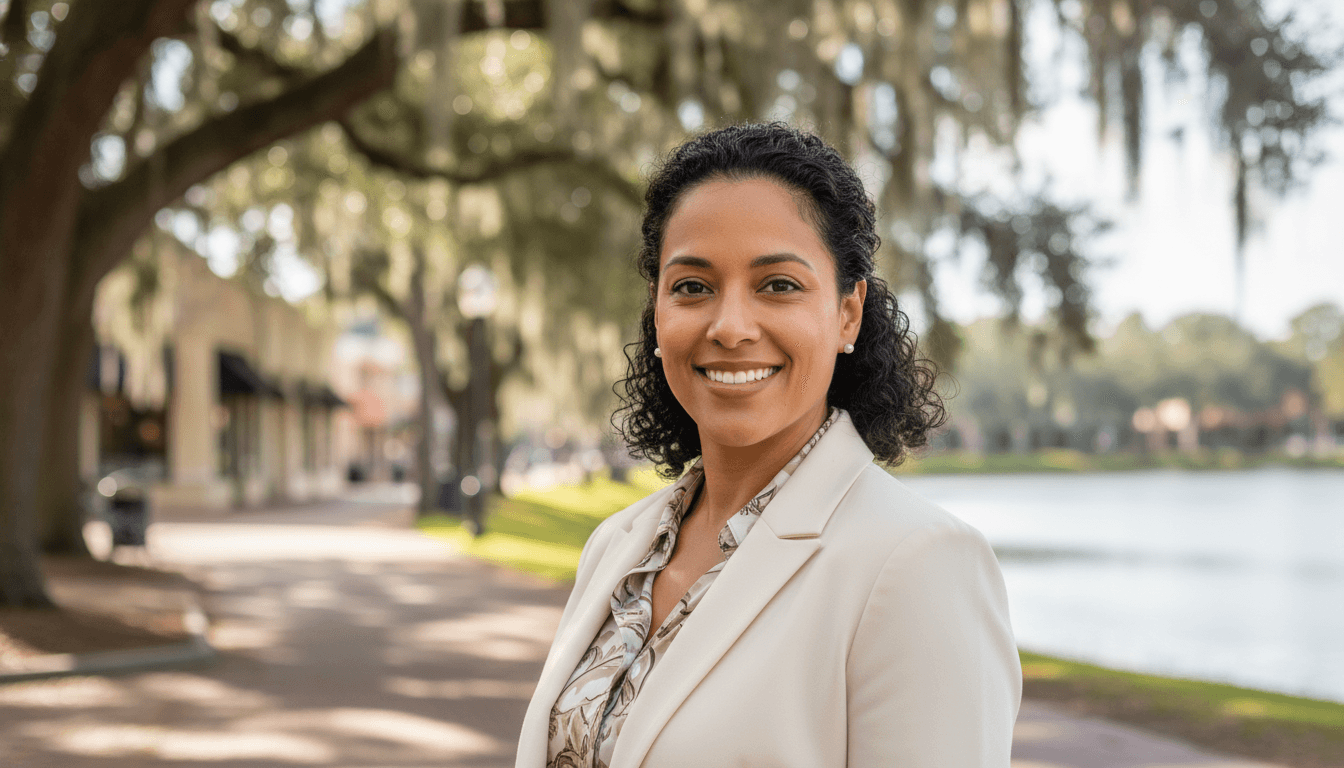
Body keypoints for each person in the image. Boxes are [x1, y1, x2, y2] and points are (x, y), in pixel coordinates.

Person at [515, 122, 1020, 768]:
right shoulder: (616, 547)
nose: (729, 327)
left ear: (847, 313)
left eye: (777, 285)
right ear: (657, 313)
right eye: (692, 287)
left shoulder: (917, 565)